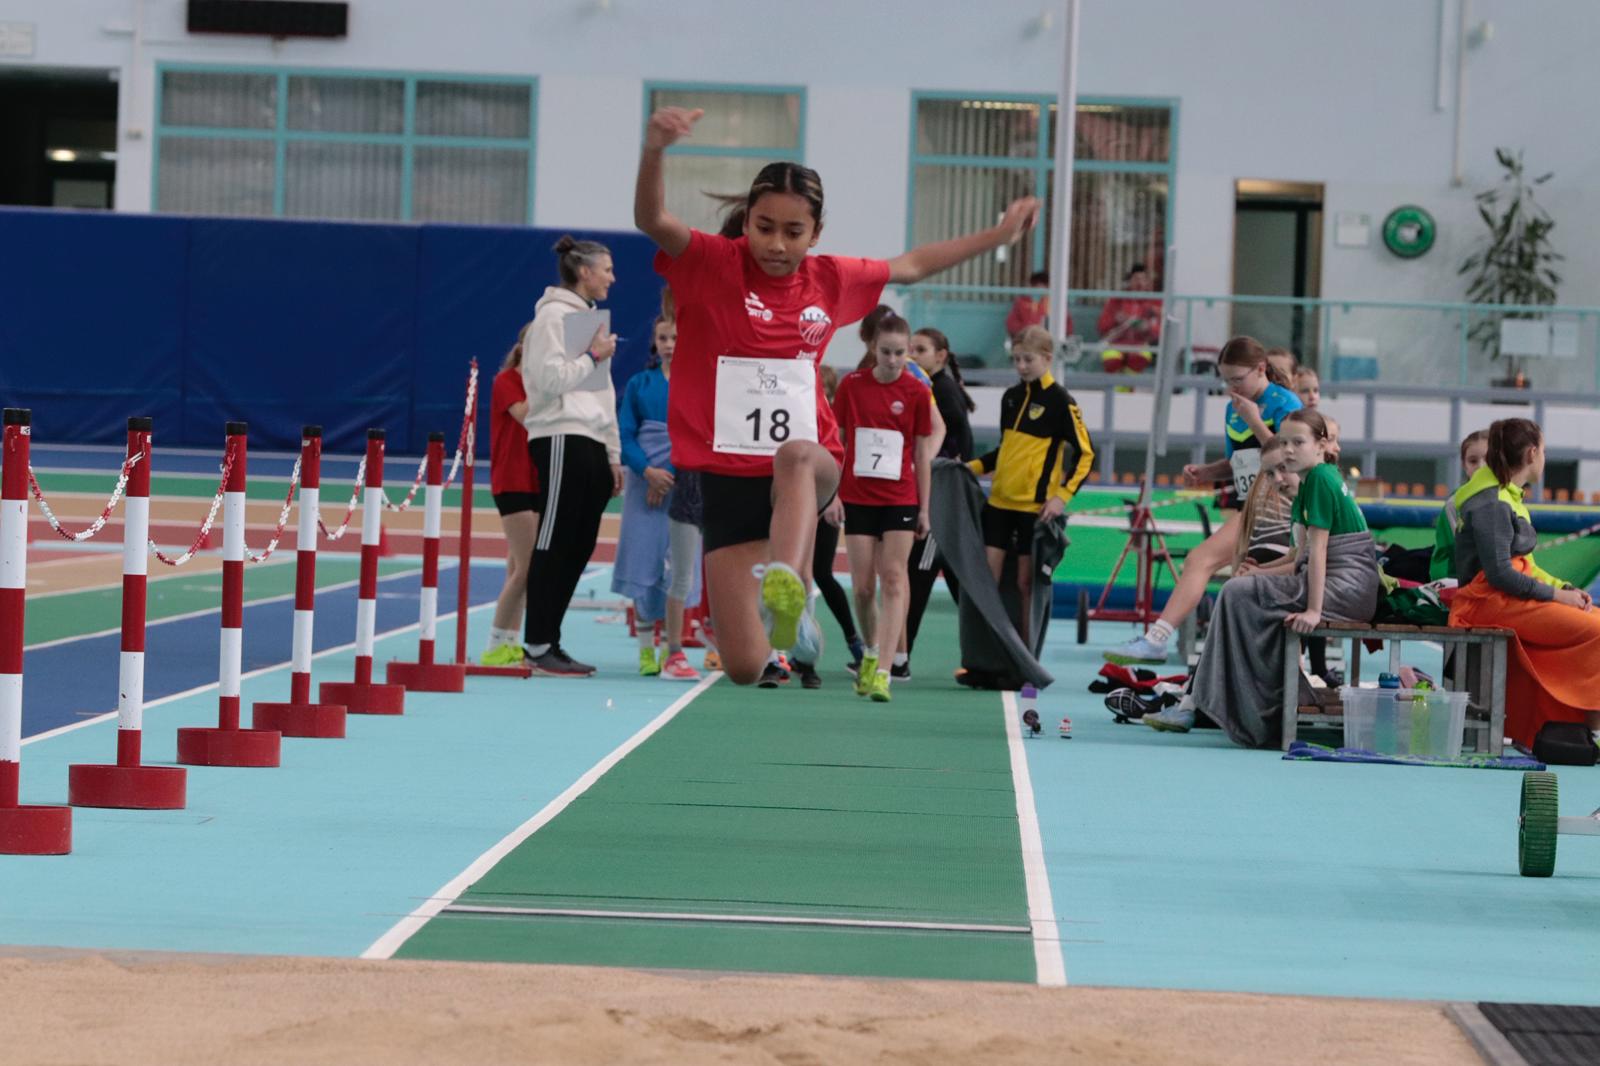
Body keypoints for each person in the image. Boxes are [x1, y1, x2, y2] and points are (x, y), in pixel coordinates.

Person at [635, 105, 1040, 686]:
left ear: (816, 233)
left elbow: (913, 265)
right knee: (745, 668)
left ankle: (790, 587)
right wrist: (654, 148)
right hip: (726, 478)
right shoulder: (712, 264)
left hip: (806, 471)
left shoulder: (830, 279)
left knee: (797, 454)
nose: (777, 244)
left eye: (793, 232)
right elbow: (652, 218)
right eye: (764, 228)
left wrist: (999, 236)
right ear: (746, 222)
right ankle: (789, 614)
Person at [1144, 409, 1381, 744]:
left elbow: (1319, 554)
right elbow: (1299, 558)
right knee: (1237, 590)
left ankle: (1219, 705)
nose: (1289, 451)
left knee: (1237, 594)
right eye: (1284, 443)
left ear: (1321, 445)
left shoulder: (1320, 480)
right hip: (1337, 583)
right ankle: (1221, 702)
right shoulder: (1311, 482)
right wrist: (1259, 572)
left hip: (1345, 589)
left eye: (1298, 443)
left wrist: (1313, 611)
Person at [1103, 335, 1301, 665]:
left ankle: (1157, 639)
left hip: (1278, 507)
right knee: (1241, 586)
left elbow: (1287, 457)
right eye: (1226, 381)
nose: (1231, 387)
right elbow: (1239, 460)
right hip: (1249, 505)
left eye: (1237, 379)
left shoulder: (1286, 404)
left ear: (1261, 369)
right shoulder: (1233, 409)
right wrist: (1206, 472)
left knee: (1200, 560)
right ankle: (1245, 668)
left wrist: (1255, 420)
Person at [1105, 436, 1298, 720]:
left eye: (1281, 469)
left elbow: (1308, 558)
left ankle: (1163, 646)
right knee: (1229, 595)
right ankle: (1192, 699)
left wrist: (1261, 572)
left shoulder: (1305, 481)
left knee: (1204, 565)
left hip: (1279, 531)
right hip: (1257, 516)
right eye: (1270, 471)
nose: (1276, 475)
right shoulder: (1252, 453)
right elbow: (1243, 458)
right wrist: (1209, 472)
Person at [1447, 418, 1600, 751]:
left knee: (1595, 618)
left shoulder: (1507, 494)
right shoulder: (1491, 502)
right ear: (1532, 453)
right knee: (1597, 630)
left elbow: (1525, 566)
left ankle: (1577, 731)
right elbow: (1501, 575)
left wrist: (1564, 588)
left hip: (1503, 596)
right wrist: (1556, 596)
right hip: (1487, 602)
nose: (1544, 457)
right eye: (1543, 450)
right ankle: (1591, 732)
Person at [519, 235, 622, 677]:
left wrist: (613, 452)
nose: (612, 278)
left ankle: (551, 641)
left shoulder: (587, 321)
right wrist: (593, 356)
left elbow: (601, 392)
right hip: (560, 433)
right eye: (607, 269)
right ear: (585, 272)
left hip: (592, 440)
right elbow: (549, 380)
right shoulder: (551, 318)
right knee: (554, 538)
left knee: (580, 545)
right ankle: (536, 643)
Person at [968, 325, 1095, 648]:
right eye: (1016, 360)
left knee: (1026, 584)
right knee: (988, 580)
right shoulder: (1011, 397)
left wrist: (1062, 497)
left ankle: (1025, 653)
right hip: (999, 504)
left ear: (1047, 358)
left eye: (1028, 359)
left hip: (1033, 510)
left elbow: (1086, 454)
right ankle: (988, 651)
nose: (1021, 366)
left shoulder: (1061, 401)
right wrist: (970, 468)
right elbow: (1004, 451)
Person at [834, 312, 934, 702]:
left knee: (894, 577)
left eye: (899, 353)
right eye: (886, 352)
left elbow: (922, 454)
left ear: (908, 352)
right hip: (858, 496)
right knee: (862, 588)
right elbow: (839, 442)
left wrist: (924, 508)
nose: (893, 360)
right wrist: (832, 495)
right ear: (873, 348)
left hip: (899, 498)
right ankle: (872, 651)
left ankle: (884, 672)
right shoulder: (852, 386)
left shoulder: (916, 392)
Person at [613, 314, 703, 681]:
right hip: (642, 484)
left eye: (675, 338)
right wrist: (647, 471)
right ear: (655, 341)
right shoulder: (640, 383)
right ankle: (645, 650)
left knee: (678, 565)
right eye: (663, 338)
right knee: (643, 561)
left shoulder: (696, 384)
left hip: (683, 484)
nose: (669, 345)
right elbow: (625, 433)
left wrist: (672, 476)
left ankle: (671, 647)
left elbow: (699, 433)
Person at [902, 326, 974, 666]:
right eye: (911, 349)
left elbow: (960, 437)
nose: (912, 356)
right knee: (957, 581)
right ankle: (987, 655)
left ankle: (899, 656)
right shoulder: (935, 388)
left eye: (920, 350)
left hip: (941, 496)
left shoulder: (942, 391)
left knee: (920, 575)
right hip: (941, 492)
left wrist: (950, 468)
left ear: (940, 356)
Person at [798, 365, 860, 689]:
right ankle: (788, 656)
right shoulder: (793, 411)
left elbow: (838, 457)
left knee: (819, 573)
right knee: (793, 574)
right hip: (794, 501)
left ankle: (853, 641)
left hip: (824, 500)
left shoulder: (828, 419)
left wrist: (834, 496)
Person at [481, 340, 540, 666]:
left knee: (518, 566)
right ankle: (494, 645)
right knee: (528, 568)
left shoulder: (540, 382)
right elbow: (525, 415)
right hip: (512, 479)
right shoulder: (506, 381)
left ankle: (509, 642)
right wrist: (551, 386)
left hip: (538, 478)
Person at [1430, 430, 1490, 581]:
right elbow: (1466, 557)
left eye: (1488, 459)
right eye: (1473, 461)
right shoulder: (1455, 504)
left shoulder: (1508, 498)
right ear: (1464, 465)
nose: (1481, 466)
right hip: (1454, 578)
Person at [1097, 263, 1162, 374]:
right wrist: (1115, 321)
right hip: (1115, 344)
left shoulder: (1154, 302)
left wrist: (1147, 327)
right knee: (1112, 361)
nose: (1140, 283)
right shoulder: (1116, 300)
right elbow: (1102, 327)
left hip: (1140, 345)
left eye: (1143, 279)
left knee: (1137, 360)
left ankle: (1126, 384)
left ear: (1148, 282)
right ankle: (1116, 383)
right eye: (1136, 279)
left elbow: (1161, 330)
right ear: (1129, 281)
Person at [1004, 270, 1072, 339]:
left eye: (1044, 285)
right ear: (1031, 286)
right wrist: (1026, 335)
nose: (1040, 288)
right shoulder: (1022, 302)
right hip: (1026, 340)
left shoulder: (1056, 303)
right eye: (1036, 285)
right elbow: (1012, 325)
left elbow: (1067, 326)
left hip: (1050, 340)